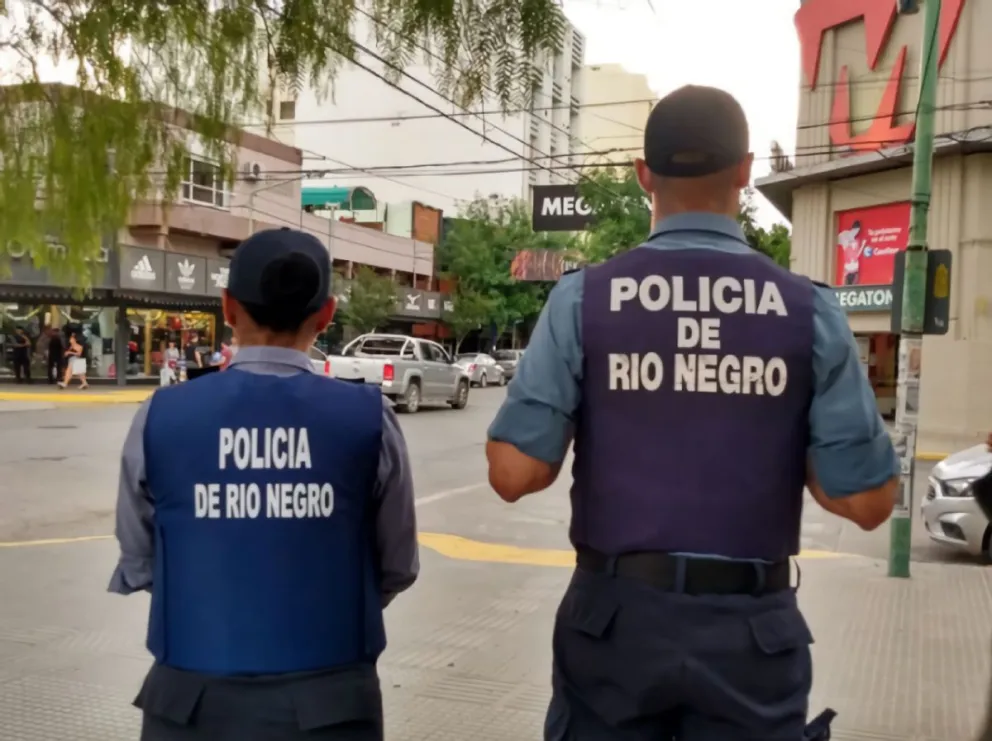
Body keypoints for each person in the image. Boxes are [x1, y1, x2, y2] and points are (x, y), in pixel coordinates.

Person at [485, 85, 899, 741]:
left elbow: (514, 474)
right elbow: (869, 503)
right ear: (746, 171)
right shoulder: (809, 311)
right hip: (750, 636)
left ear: (643, 175)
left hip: (615, 628)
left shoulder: (582, 300)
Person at [109, 227, 419, 741]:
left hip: (190, 705)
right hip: (331, 704)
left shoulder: (160, 415)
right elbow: (398, 566)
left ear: (228, 308)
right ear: (326, 314)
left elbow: (140, 559)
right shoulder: (370, 418)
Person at [838, 220, 865, 285]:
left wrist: (863, 245)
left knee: (853, 286)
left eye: (858, 230)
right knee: (846, 286)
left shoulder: (856, 241)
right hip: (848, 269)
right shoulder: (847, 239)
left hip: (854, 268)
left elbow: (857, 255)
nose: (857, 232)